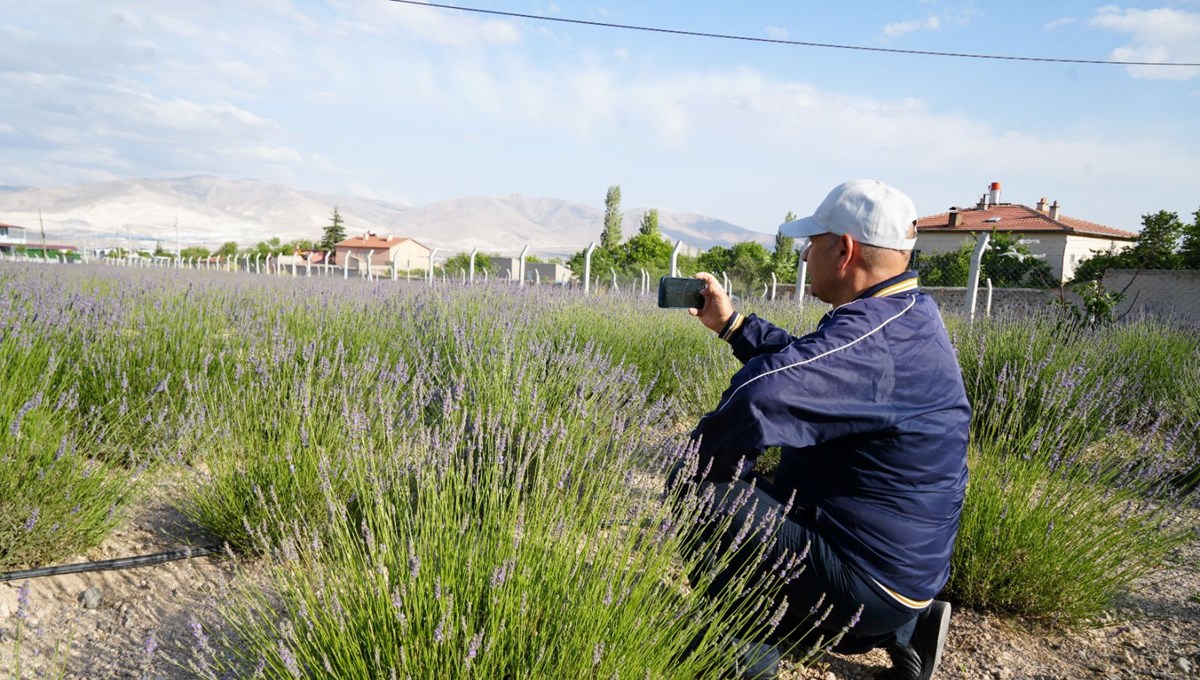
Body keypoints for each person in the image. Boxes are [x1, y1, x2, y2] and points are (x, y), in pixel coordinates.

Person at [676, 179, 970, 680]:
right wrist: (733, 326)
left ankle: (750, 647)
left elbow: (760, 397)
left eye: (812, 242)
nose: (805, 254)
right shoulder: (905, 313)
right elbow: (813, 365)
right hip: (910, 571)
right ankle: (908, 629)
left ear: (843, 249)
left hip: (866, 582)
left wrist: (712, 470)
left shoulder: (871, 336)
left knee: (698, 490)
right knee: (759, 490)